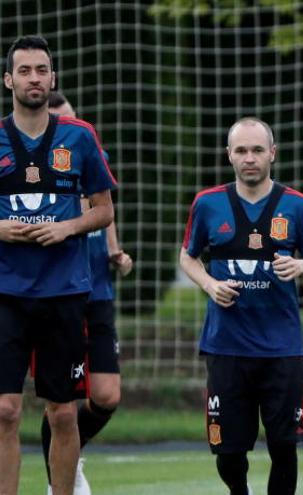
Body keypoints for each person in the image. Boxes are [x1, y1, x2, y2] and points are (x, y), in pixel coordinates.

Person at [179, 117, 303, 494]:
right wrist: (210, 285)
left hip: (281, 348)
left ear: (272, 153)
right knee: (228, 452)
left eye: (258, 149)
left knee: (285, 446)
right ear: (229, 155)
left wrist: (302, 265)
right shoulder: (208, 204)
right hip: (227, 345)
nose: (250, 158)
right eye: (241, 150)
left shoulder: (298, 206)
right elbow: (188, 257)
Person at [0, 35, 116, 495]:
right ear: (8, 79)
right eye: (25, 71)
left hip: (64, 292)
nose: (34, 79)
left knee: (63, 411)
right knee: (5, 410)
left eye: (41, 70)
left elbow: (104, 210)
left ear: (53, 78)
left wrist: (67, 228)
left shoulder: (79, 136)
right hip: (6, 292)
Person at [39, 92, 133, 494]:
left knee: (107, 395)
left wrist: (114, 250)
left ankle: (72, 452)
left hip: (97, 291)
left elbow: (103, 206)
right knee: (60, 404)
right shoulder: (36, 166)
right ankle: (61, 476)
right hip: (56, 291)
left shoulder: (89, 152)